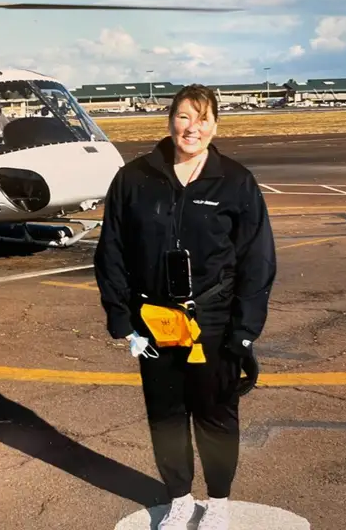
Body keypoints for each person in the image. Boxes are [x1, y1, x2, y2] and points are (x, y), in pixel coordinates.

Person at [93, 84, 276, 530]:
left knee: (215, 413)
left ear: (216, 125)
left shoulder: (235, 181)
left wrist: (246, 327)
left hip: (212, 319)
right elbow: (111, 251)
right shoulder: (134, 178)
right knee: (166, 415)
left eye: (203, 118)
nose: (192, 128)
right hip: (156, 320)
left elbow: (258, 257)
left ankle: (217, 502)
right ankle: (179, 497)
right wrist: (122, 321)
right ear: (169, 119)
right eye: (183, 116)